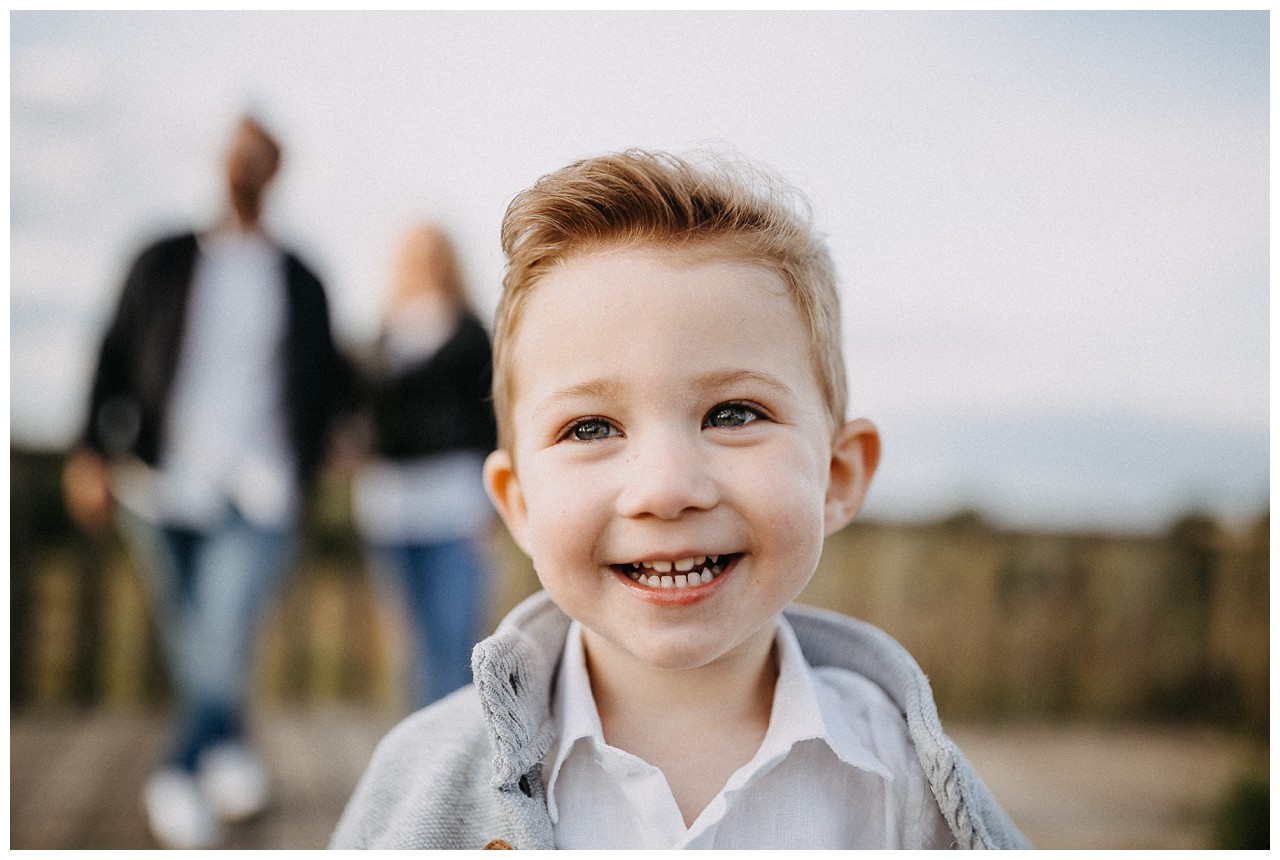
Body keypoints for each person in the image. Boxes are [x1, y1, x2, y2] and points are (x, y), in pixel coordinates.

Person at [329, 150, 1030, 849]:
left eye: (733, 415)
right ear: (518, 506)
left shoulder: (910, 787)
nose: (664, 489)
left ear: (838, 476)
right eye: (592, 427)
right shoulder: (419, 782)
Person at [63, 114, 343, 850]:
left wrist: (333, 443)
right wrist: (90, 451)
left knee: (220, 631)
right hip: (160, 486)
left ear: (274, 170)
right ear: (219, 164)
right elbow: (112, 354)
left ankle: (178, 772)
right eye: (235, 154)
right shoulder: (160, 259)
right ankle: (227, 751)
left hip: (261, 492)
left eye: (259, 156)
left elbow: (329, 382)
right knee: (198, 640)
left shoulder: (302, 276)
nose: (244, 167)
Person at [349, 224, 497, 708]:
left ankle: (456, 751)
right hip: (390, 504)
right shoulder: (383, 337)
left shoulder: (473, 336)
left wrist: (492, 508)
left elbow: (493, 420)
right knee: (409, 642)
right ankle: (419, 746)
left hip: (456, 503)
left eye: (437, 253)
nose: (428, 263)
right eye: (418, 253)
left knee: (455, 635)